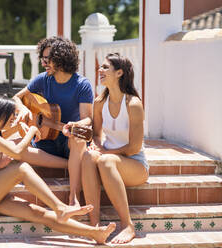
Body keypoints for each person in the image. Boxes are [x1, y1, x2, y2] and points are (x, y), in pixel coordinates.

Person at [0, 94, 116, 244]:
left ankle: (94, 233)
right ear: (1, 114)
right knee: (20, 168)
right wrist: (32, 131)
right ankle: (60, 208)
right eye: (12, 115)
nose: (14, 119)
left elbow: (6, 136)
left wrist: (21, 128)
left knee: (37, 212)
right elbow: (15, 151)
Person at [13, 36, 94, 206]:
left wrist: (76, 125)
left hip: (69, 140)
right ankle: (71, 164)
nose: (43, 63)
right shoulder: (43, 79)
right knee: (18, 150)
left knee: (78, 141)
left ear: (62, 58)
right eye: (42, 58)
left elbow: (88, 119)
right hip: (47, 140)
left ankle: (74, 197)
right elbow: (16, 97)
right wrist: (23, 108)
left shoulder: (81, 84)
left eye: (47, 59)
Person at [81, 53, 149, 244]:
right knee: (88, 156)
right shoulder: (99, 102)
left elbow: (134, 147)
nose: (99, 71)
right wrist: (97, 146)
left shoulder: (133, 104)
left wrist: (105, 153)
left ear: (119, 72)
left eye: (104, 68)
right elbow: (95, 134)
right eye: (100, 68)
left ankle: (127, 225)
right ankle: (95, 225)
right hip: (109, 159)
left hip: (135, 164)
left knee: (104, 160)